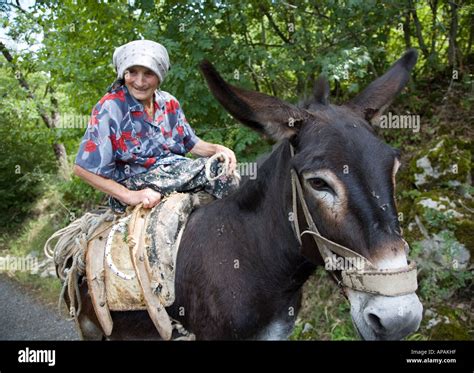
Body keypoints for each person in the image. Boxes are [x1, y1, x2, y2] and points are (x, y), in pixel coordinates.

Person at [74, 40, 238, 213]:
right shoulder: (110, 107)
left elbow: (191, 143)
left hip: (174, 171)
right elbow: (83, 169)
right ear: (123, 73)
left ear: (160, 76)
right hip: (135, 181)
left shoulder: (169, 103)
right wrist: (130, 196)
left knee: (226, 170)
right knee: (216, 172)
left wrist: (217, 149)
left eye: (148, 73)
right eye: (132, 72)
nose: (139, 81)